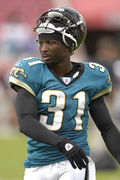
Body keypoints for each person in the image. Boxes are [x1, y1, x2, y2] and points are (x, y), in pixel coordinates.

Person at [9, 7, 120, 180]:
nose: (43, 48)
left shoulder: (92, 76)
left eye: (51, 43)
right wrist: (62, 143)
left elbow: (106, 127)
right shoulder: (31, 72)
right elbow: (25, 122)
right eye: (41, 42)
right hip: (37, 165)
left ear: (69, 45)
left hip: (75, 162)